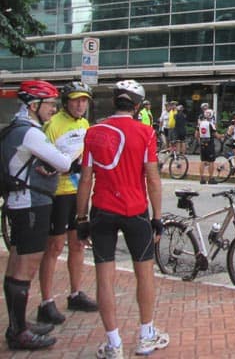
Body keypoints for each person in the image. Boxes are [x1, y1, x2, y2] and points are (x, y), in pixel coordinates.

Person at [76, 79, 167, 359]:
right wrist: (157, 216)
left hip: (102, 209)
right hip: (135, 210)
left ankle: (113, 343)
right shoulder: (145, 132)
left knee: (104, 276)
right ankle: (145, 336)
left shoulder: (93, 132)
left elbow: (86, 179)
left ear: (114, 102)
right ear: (137, 106)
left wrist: (81, 218)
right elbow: (152, 178)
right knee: (144, 273)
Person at [2, 80, 74, 350]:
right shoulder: (31, 133)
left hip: (20, 203)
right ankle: (19, 332)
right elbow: (63, 163)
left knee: (16, 263)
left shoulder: (16, 128)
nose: (53, 109)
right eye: (50, 104)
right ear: (34, 106)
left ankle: (17, 324)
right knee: (26, 266)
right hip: (31, 204)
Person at [37, 82, 98, 328]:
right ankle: (46, 301)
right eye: (75, 100)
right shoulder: (53, 125)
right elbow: (42, 162)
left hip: (79, 193)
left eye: (84, 100)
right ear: (66, 102)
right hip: (58, 193)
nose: (80, 105)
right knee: (54, 246)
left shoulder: (85, 125)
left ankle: (75, 293)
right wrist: (63, 167)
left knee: (78, 243)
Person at [196, 109, 217, 184]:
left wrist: (200, 141)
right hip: (210, 144)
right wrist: (223, 136)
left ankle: (202, 178)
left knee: (202, 161)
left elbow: (196, 135)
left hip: (202, 144)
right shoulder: (211, 124)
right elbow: (215, 135)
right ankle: (210, 178)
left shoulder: (200, 123)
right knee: (211, 161)